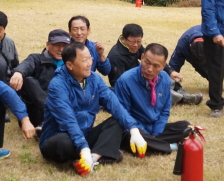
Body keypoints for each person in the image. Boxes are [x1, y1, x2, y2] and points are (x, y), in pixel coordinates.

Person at [38, 42, 145, 173]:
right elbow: (68, 121)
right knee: (63, 142)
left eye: (90, 58)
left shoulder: (95, 79)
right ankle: (101, 153)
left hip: (85, 135)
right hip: (61, 137)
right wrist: (83, 148)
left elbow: (114, 105)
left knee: (117, 121)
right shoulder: (57, 85)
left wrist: (134, 130)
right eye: (84, 60)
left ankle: (93, 158)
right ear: (70, 65)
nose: (89, 63)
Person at [113, 43, 191, 155]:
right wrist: (141, 132)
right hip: (134, 128)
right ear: (142, 57)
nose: (149, 69)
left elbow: (165, 110)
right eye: (147, 62)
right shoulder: (126, 80)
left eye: (156, 66)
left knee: (185, 126)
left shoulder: (164, 78)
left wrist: (156, 133)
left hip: (154, 127)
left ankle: (153, 144)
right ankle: (168, 146)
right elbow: (124, 114)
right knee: (127, 136)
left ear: (163, 66)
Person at [108, 23, 203, 105]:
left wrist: (171, 71)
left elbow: (153, 59)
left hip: (142, 76)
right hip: (132, 85)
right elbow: (117, 83)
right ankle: (182, 99)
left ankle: (179, 91)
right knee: (158, 89)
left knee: (163, 75)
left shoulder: (136, 46)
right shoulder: (116, 56)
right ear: (123, 39)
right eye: (133, 41)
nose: (136, 45)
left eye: (139, 41)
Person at [9, 29, 71, 127]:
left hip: (65, 109)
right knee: (29, 81)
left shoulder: (72, 64)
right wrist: (18, 73)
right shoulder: (36, 59)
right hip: (38, 112)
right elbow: (26, 65)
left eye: (64, 46)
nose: (61, 49)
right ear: (47, 45)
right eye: (57, 45)